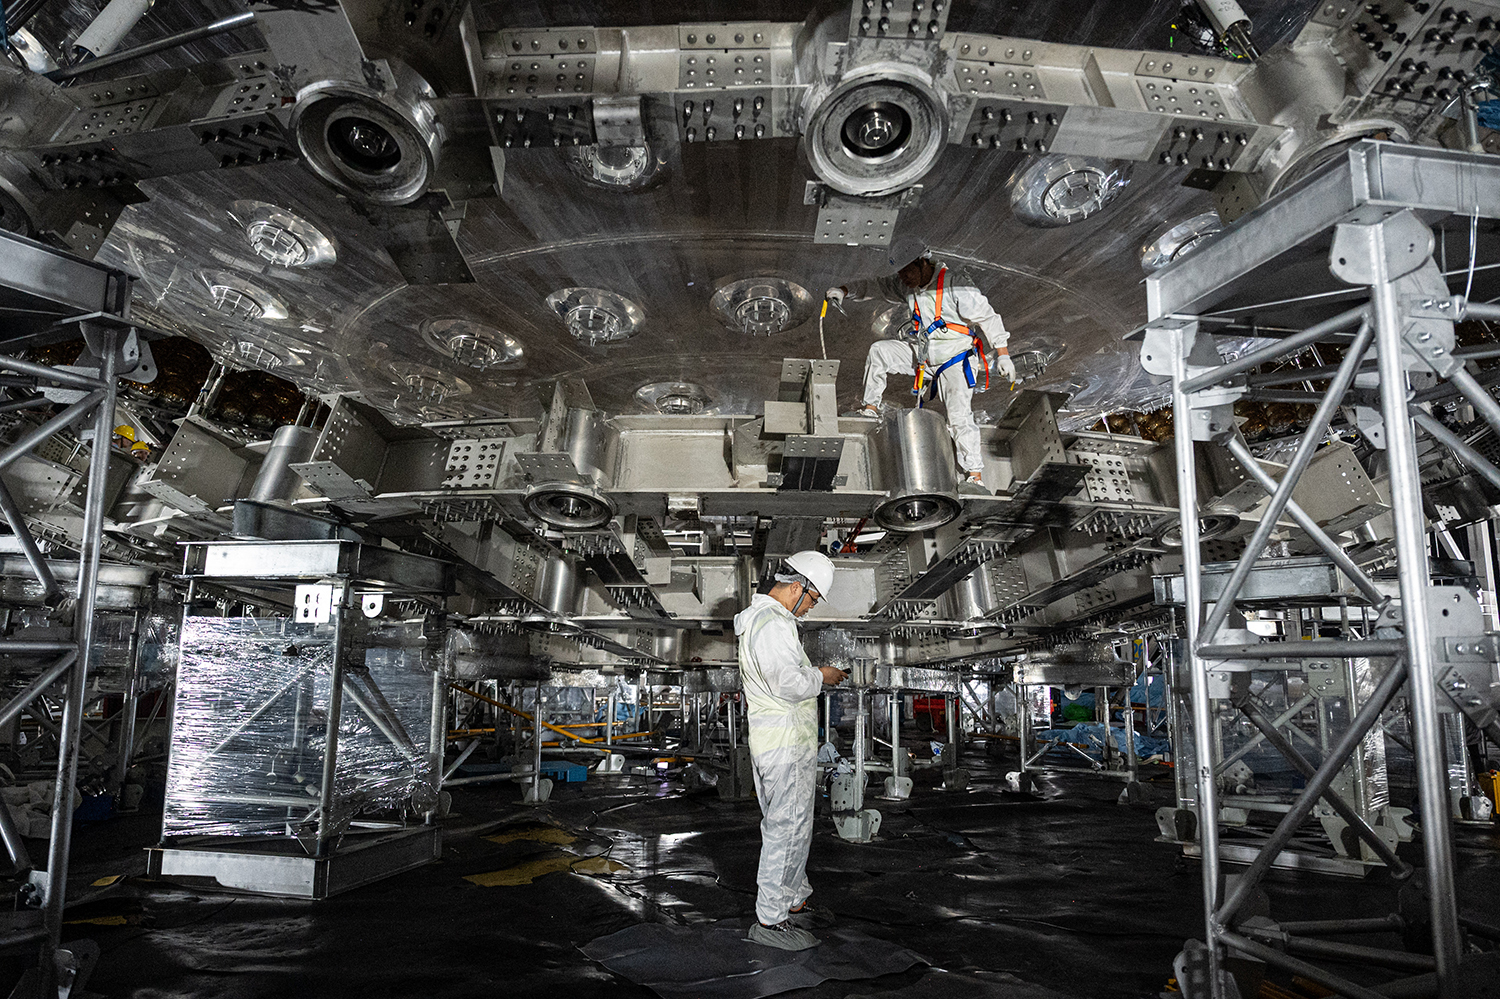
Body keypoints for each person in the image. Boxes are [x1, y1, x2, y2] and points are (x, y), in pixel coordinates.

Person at [827, 234, 1014, 488]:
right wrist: (844, 290)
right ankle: (871, 409)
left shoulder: (955, 285)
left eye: (906, 271)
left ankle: (975, 475)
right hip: (924, 357)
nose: (903, 278)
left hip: (954, 360)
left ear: (923, 262)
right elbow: (875, 286)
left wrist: (1003, 354)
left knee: (959, 416)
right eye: (900, 273)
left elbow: (988, 318)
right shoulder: (908, 286)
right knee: (880, 351)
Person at [733, 549, 848, 951]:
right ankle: (770, 919)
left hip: (784, 743)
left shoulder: (773, 622)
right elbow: (787, 683)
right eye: (813, 600)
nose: (811, 608)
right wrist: (823, 675)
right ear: (798, 587)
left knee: (797, 825)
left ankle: (794, 899)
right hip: (783, 745)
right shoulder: (771, 623)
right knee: (786, 828)